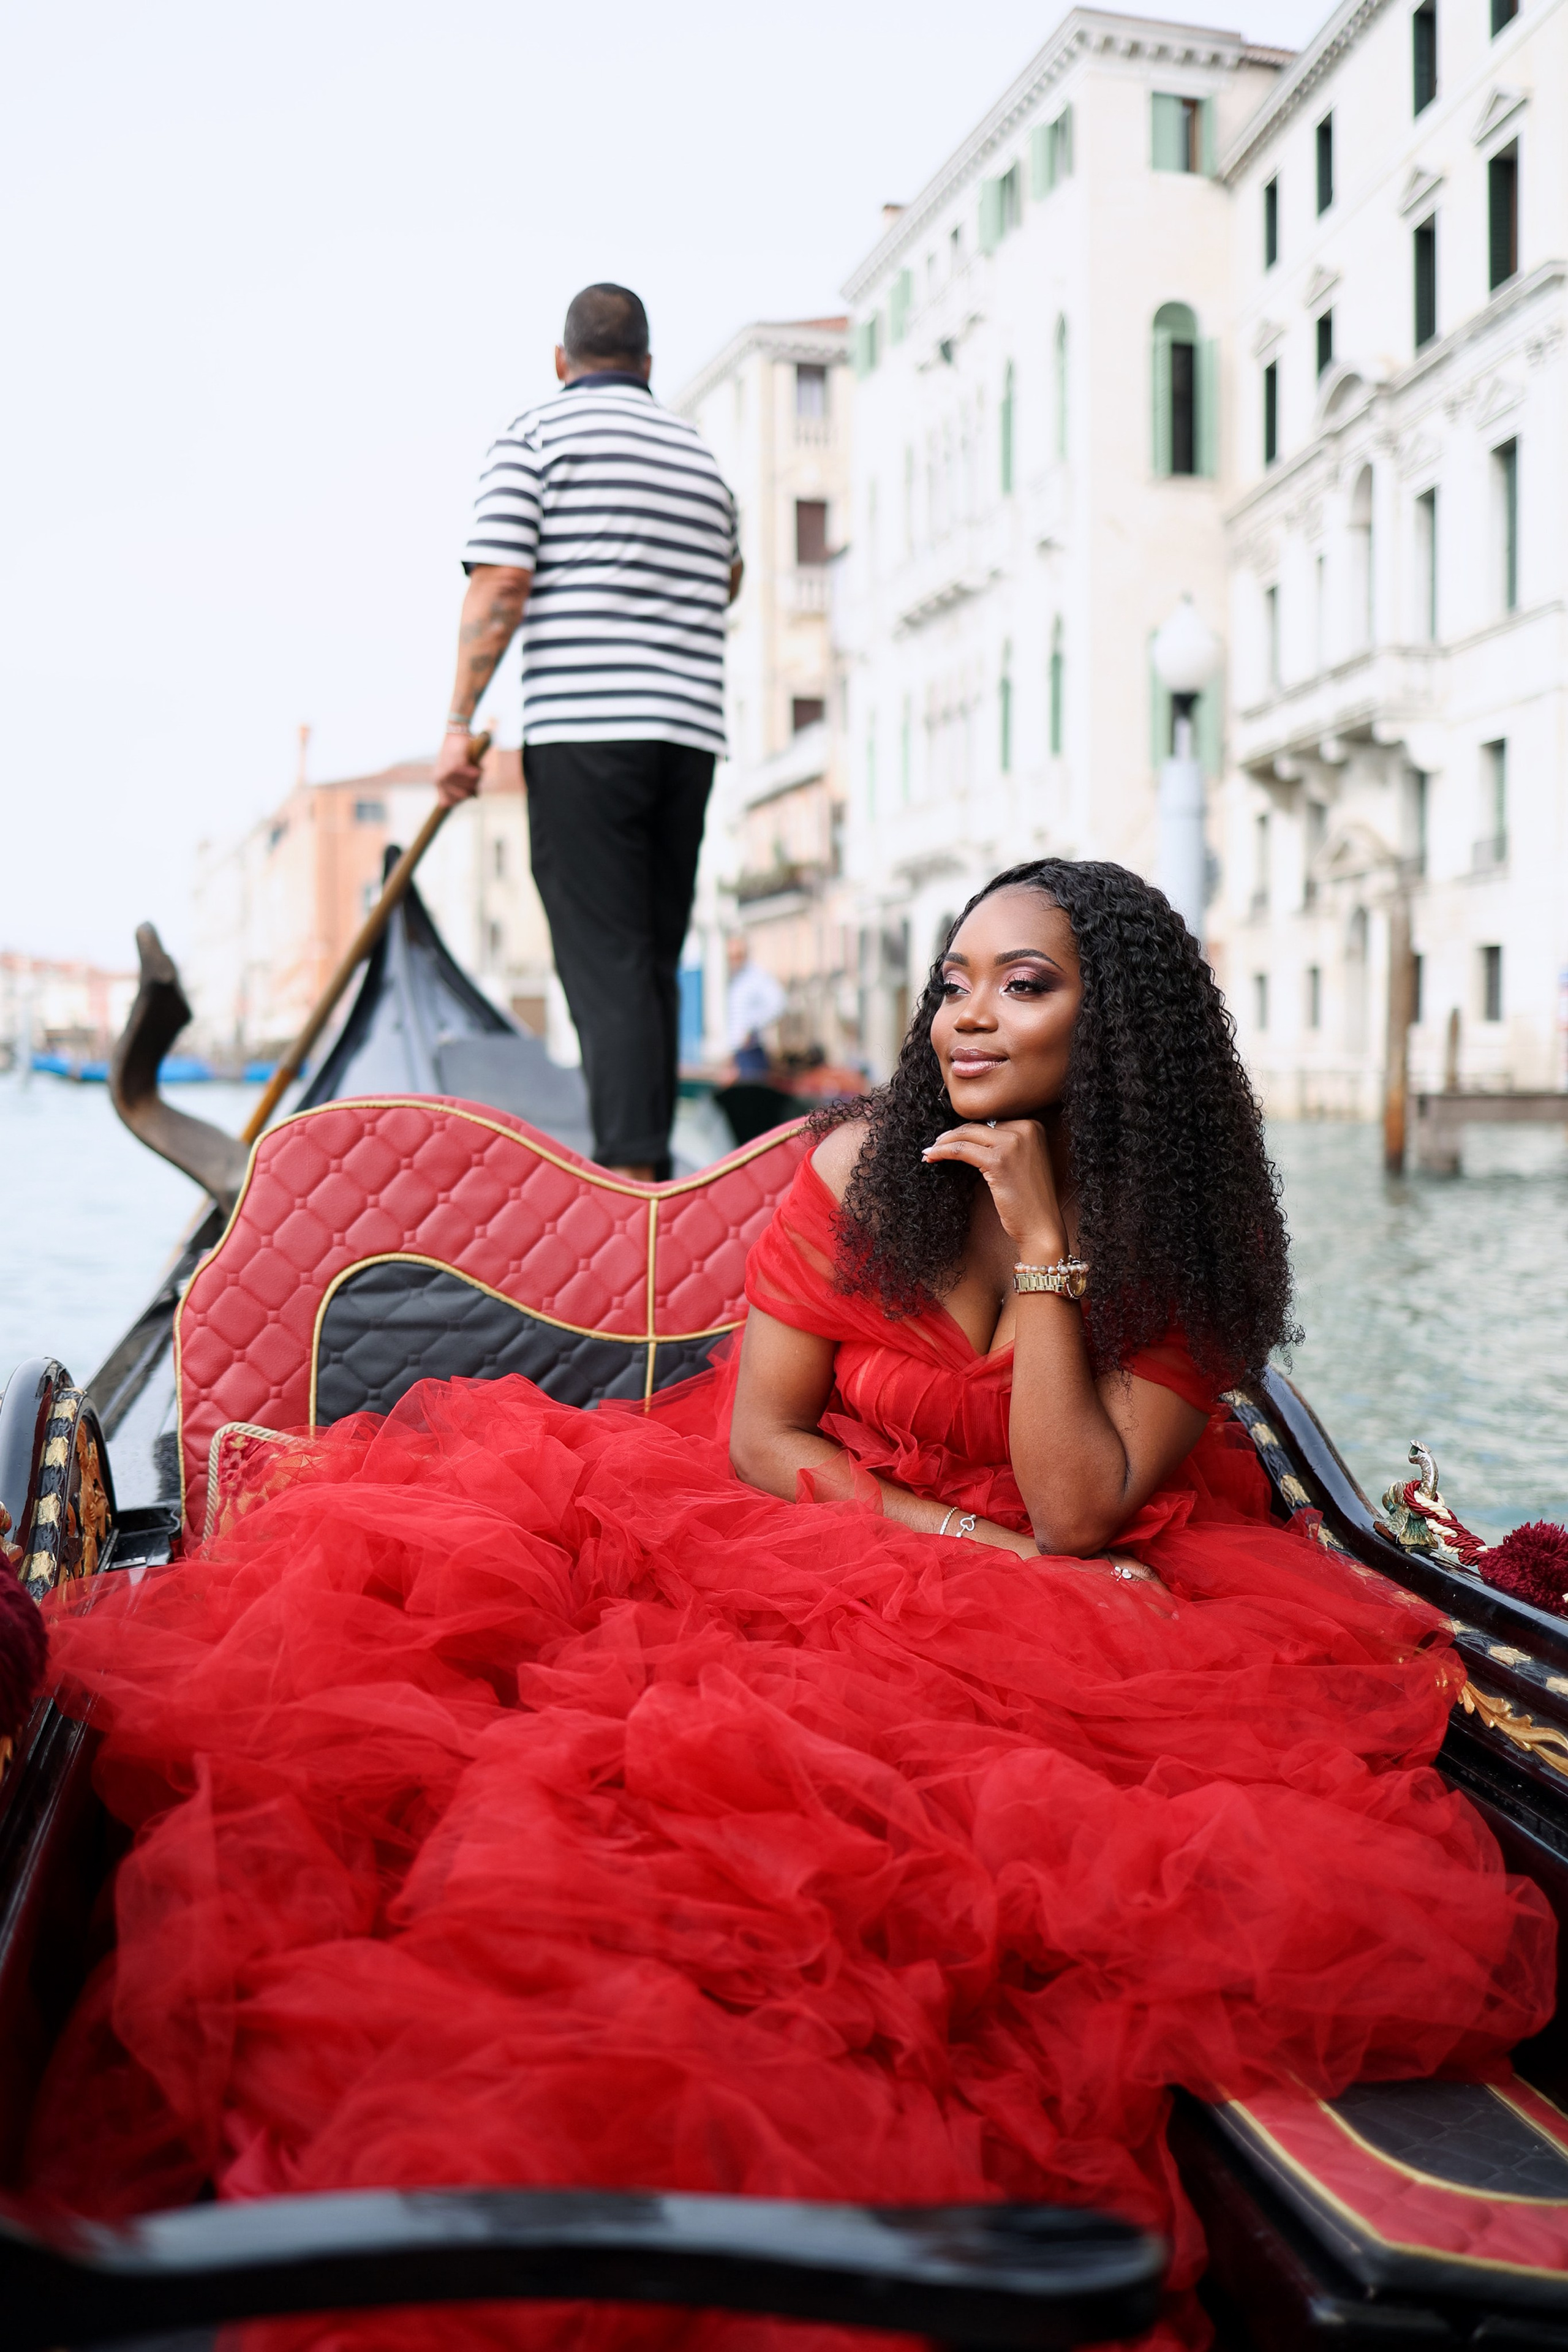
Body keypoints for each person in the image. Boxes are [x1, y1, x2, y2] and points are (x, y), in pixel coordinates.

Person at [32, 861, 1554, 2352]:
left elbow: (1085, 1502)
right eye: (951, 983)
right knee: (633, 1810)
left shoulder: (1184, 1256)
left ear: (1117, 1037)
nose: (965, 1017)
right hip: (808, 1541)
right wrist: (985, 1549)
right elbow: (766, 1442)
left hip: (1095, 1601)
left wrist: (1040, 1253)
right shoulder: (853, 1172)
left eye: (1022, 987)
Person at [434, 283, 742, 1182]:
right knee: (650, 955)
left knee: (603, 959)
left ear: (562, 362)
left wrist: (457, 725)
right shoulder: (700, 459)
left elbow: (499, 585)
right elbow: (723, 584)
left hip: (585, 730)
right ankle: (646, 1164)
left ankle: (630, 1174)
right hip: (687, 737)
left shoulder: (534, 439)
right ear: (646, 366)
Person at [725, 933, 788, 1077]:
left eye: (738, 956)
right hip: (737, 1053)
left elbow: (778, 1003)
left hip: (751, 1051)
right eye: (731, 957)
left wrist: (752, 1027)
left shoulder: (756, 977)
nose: (734, 961)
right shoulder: (734, 980)